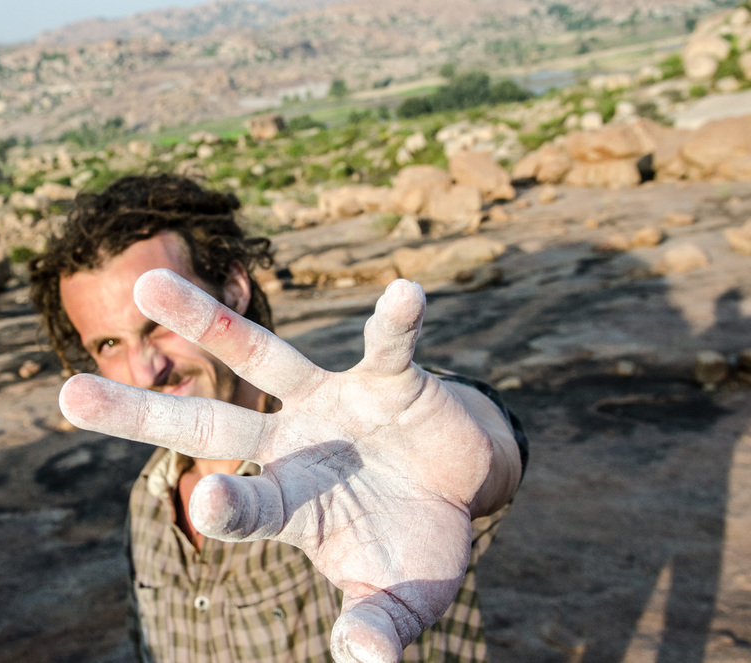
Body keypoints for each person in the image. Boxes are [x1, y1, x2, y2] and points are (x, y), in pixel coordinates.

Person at [29, 174, 528, 663]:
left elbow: (480, 439)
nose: (147, 369)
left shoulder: (355, 453)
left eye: (159, 326)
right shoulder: (148, 498)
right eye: (110, 344)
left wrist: (478, 453)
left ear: (233, 285)